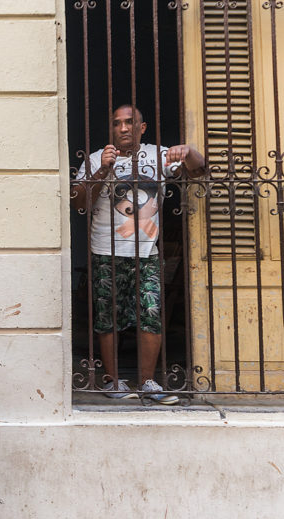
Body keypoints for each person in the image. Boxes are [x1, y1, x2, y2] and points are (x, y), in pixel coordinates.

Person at [71, 104, 205, 404]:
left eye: (130, 122)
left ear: (141, 128)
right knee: (108, 319)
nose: (123, 128)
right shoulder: (95, 159)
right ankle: (112, 380)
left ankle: (147, 382)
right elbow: (80, 202)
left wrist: (189, 151)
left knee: (152, 315)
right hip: (105, 250)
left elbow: (198, 172)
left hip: (146, 252)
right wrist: (103, 169)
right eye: (117, 123)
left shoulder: (157, 155)